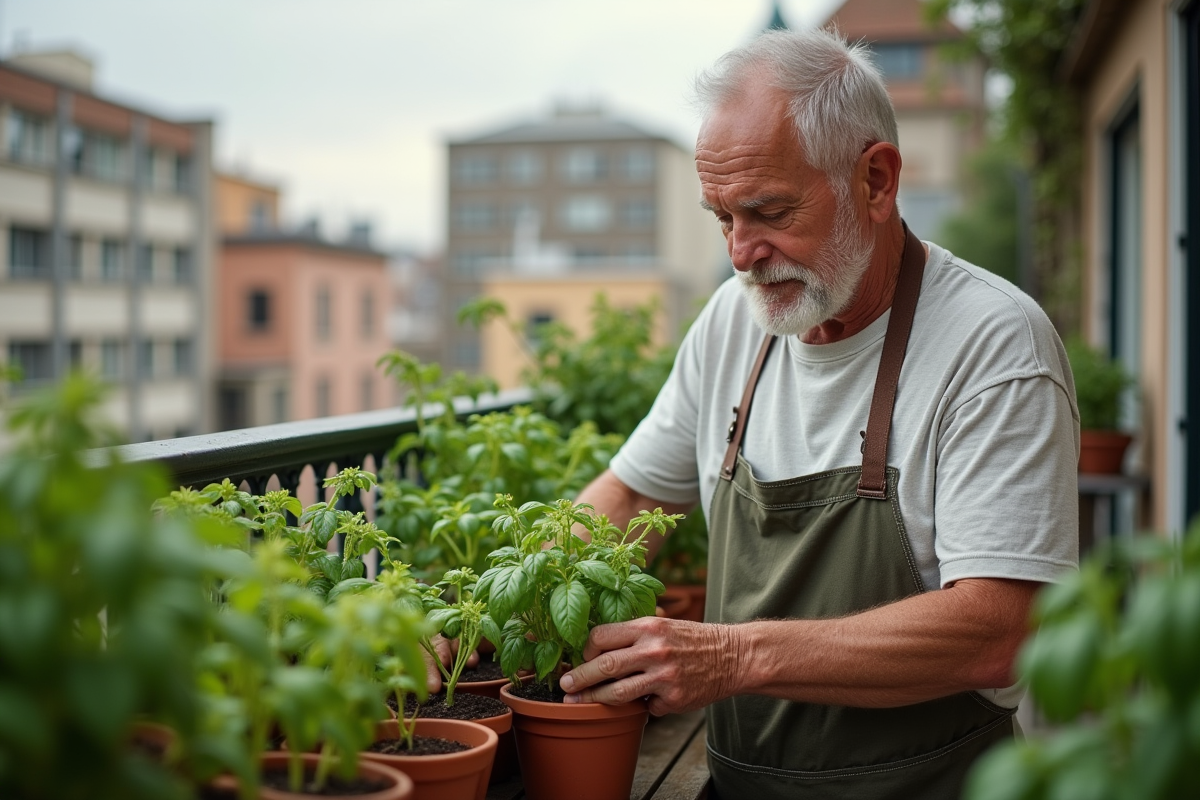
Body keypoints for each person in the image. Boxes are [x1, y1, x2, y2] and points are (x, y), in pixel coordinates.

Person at [553, 28, 1080, 799]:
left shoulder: (993, 345)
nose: (739, 252)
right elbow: (631, 495)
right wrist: (495, 613)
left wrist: (732, 657)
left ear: (876, 181)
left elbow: (999, 629)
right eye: (720, 218)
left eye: (767, 211)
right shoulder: (734, 325)